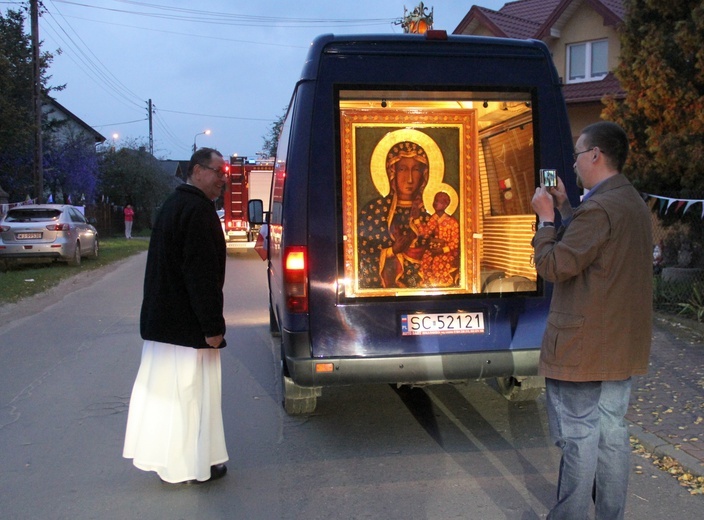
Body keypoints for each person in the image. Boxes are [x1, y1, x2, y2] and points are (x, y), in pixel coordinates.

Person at [531, 121, 652, 519]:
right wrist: (567, 208)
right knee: (612, 435)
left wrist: (547, 221)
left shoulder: (600, 207)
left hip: (584, 348)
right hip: (619, 344)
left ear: (596, 155)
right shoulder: (628, 200)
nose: (575, 163)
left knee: (579, 437)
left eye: (578, 155)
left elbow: (554, 265)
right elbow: (594, 246)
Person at [123, 147, 229, 484]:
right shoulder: (198, 210)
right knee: (189, 398)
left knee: (169, 399)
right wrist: (212, 327)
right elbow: (200, 275)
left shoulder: (173, 205)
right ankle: (191, 466)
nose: (222, 180)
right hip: (188, 328)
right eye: (217, 172)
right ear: (198, 171)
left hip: (165, 324)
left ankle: (180, 461)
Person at [358, 140, 432, 288]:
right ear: (392, 172)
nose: (410, 179)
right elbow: (360, 256)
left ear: (424, 174)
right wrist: (392, 251)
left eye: (416, 169)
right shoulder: (374, 211)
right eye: (403, 169)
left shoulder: (429, 214)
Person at [418, 191, 460, 287]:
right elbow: (425, 234)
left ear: (445, 205)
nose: (435, 203)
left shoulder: (452, 222)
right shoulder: (433, 219)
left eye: (439, 201)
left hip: (447, 252)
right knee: (426, 258)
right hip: (434, 249)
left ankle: (441, 285)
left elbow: (455, 242)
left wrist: (442, 250)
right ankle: (428, 284)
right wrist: (417, 220)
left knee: (439, 261)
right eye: (435, 200)